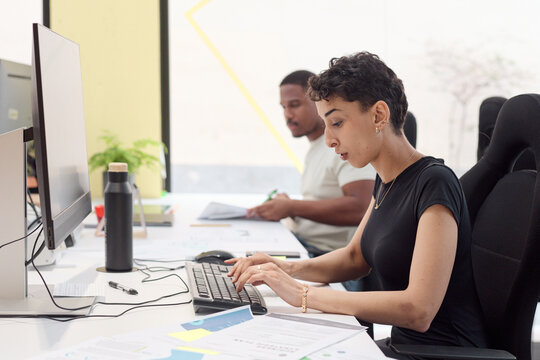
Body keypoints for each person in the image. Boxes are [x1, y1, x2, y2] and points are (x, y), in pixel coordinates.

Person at [227, 52, 487, 358]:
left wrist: (303, 294)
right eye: (326, 125)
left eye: (337, 122)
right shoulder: (387, 180)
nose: (329, 140)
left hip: (438, 353)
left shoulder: (435, 183)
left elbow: (419, 310)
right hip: (402, 348)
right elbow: (354, 257)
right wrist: (282, 268)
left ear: (378, 115)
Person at [247, 70, 375, 256]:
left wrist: (292, 207)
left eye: (295, 105)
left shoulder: (343, 146)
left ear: (319, 103)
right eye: (284, 107)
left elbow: (362, 208)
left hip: (330, 256)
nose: (288, 114)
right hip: (305, 245)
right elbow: (321, 202)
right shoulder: (316, 147)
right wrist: (289, 206)